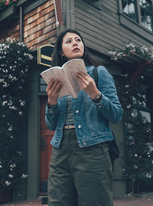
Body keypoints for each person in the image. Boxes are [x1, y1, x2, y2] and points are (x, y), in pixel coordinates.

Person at [45, 29, 123, 206]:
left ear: (83, 47)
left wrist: (95, 94)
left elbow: (117, 114)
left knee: (95, 202)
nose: (75, 43)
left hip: (93, 149)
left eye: (78, 40)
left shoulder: (98, 72)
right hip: (60, 149)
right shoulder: (55, 78)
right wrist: (51, 102)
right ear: (60, 51)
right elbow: (50, 124)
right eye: (69, 41)